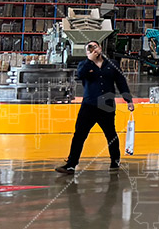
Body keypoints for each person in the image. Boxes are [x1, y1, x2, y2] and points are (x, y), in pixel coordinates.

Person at [55, 40, 135, 174]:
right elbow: (80, 75)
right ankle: (71, 164)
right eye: (90, 48)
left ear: (100, 48)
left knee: (111, 135)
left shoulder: (112, 64)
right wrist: (89, 60)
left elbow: (121, 82)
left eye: (95, 47)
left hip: (107, 106)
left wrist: (128, 100)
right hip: (89, 105)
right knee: (79, 135)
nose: (93, 50)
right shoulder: (84, 65)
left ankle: (115, 161)